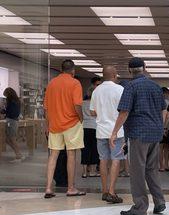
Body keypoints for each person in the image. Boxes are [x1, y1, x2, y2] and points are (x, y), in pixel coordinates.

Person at [110, 57, 166, 215]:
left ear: (129, 70)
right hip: (155, 134)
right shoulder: (156, 87)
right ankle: (159, 201)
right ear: (145, 68)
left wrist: (114, 132)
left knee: (137, 171)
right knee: (151, 169)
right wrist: (158, 127)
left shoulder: (130, 87)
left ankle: (140, 207)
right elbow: (163, 110)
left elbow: (124, 112)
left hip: (139, 134)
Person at [44, 59, 86, 198]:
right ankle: (71, 188)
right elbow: (77, 105)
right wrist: (81, 118)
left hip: (54, 124)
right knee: (71, 154)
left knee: (53, 155)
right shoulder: (75, 83)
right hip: (71, 123)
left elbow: (46, 108)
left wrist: (47, 124)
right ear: (73, 70)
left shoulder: (51, 83)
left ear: (62, 69)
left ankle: (49, 188)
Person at [90, 66, 124, 204]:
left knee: (103, 160)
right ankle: (111, 191)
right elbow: (124, 111)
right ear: (115, 75)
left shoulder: (96, 90)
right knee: (116, 159)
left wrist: (103, 114)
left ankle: (104, 191)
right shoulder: (120, 90)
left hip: (101, 131)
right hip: (117, 131)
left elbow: (92, 112)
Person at [81, 86, 99, 178]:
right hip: (95, 127)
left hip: (84, 127)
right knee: (94, 149)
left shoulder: (82, 103)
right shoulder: (96, 104)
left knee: (85, 149)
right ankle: (92, 171)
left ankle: (84, 172)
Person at [2, 87, 23, 163]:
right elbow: (12, 112)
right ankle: (18, 154)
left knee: (12, 139)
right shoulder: (17, 101)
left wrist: (4, 112)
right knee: (8, 139)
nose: (6, 97)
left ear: (9, 94)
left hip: (11, 121)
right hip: (13, 121)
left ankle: (18, 155)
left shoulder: (11, 101)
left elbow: (10, 112)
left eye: (6, 95)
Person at [159, 87, 169, 172]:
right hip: (168, 128)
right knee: (167, 147)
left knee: (160, 147)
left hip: (159, 128)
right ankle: (166, 165)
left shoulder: (157, 102)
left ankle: (161, 166)